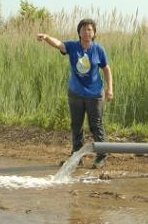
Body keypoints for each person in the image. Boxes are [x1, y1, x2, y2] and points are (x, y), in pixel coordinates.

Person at [36, 19, 113, 169]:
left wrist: (110, 88)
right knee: (76, 125)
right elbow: (59, 44)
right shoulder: (73, 47)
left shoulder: (98, 50)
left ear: (94, 33)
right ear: (79, 32)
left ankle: (102, 156)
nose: (86, 32)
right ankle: (77, 156)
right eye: (83, 29)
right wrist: (46, 37)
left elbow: (106, 69)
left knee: (96, 125)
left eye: (90, 29)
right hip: (76, 93)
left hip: (95, 94)